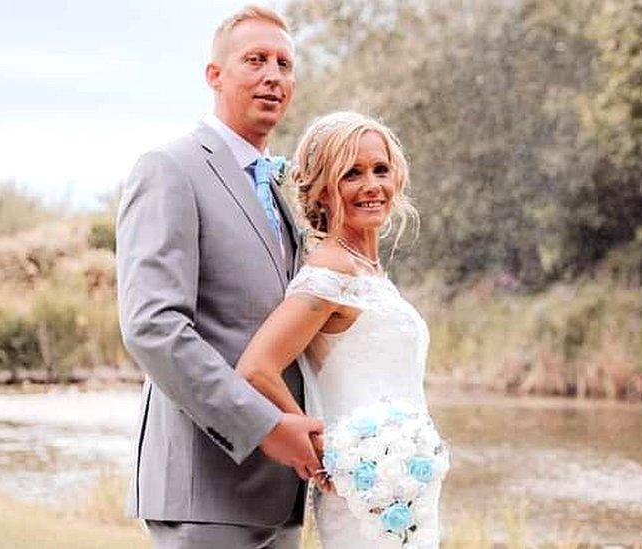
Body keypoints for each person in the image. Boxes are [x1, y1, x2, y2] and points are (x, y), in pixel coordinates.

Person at [116, 5, 321, 548]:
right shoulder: (170, 168)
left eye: (284, 63)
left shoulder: (278, 186)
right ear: (215, 75)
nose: (273, 75)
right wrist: (264, 426)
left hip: (281, 490)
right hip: (205, 485)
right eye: (255, 60)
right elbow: (153, 327)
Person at [235, 111, 444, 548]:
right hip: (364, 489)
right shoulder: (330, 272)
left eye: (380, 170)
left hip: (405, 487)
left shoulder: (368, 271)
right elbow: (256, 368)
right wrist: (323, 447)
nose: (372, 185)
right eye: (352, 173)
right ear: (324, 191)